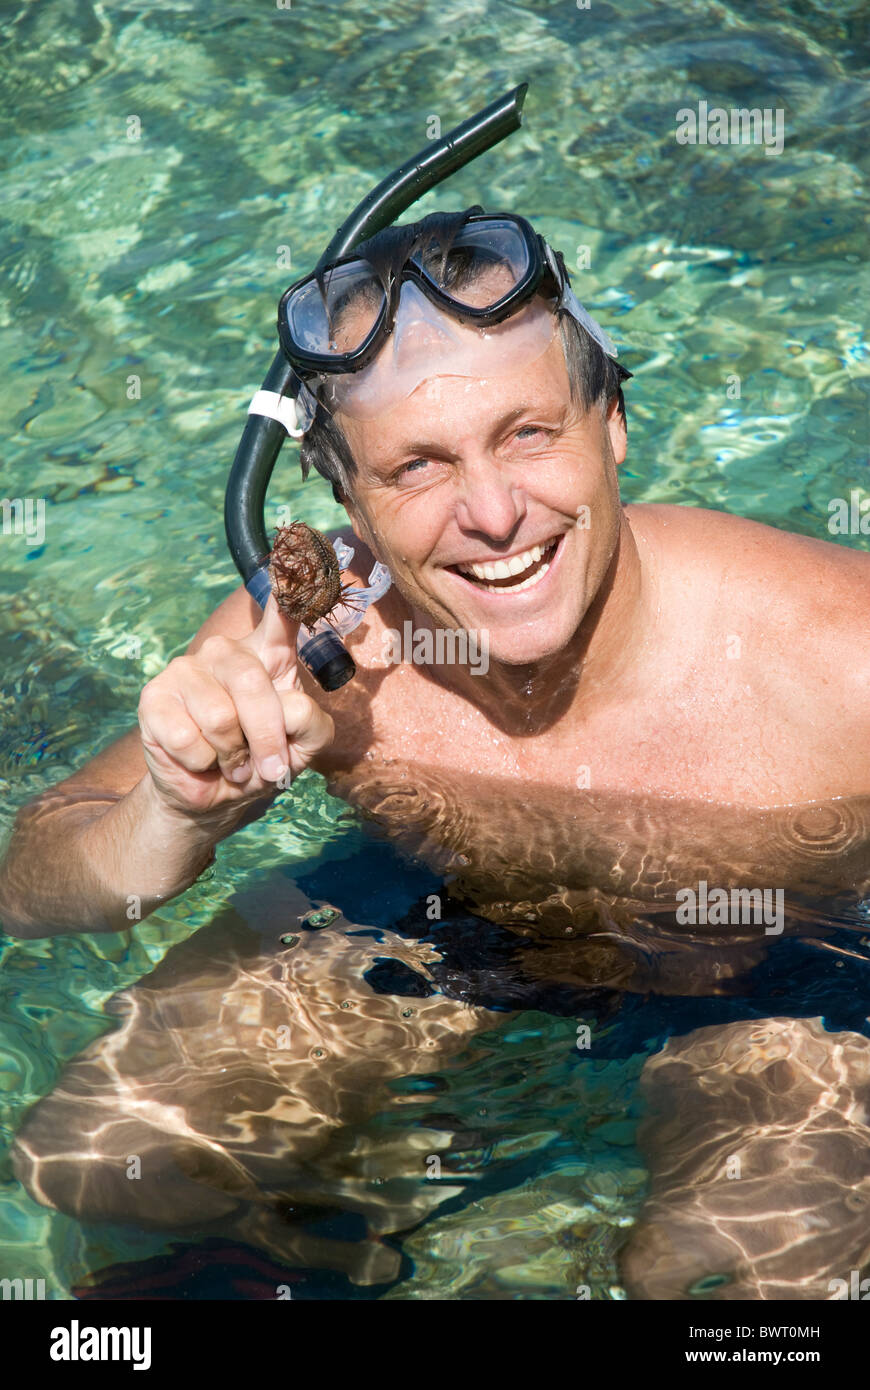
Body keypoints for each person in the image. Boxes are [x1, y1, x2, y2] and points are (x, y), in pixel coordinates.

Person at [1, 204, 868, 1300]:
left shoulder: (839, 660)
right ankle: (352, 1240)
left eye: (529, 432)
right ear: (347, 498)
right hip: (456, 919)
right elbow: (29, 888)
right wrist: (170, 815)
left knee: (721, 1274)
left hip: (791, 962)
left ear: (614, 422)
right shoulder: (329, 637)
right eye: (417, 466)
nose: (494, 513)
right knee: (107, 1159)